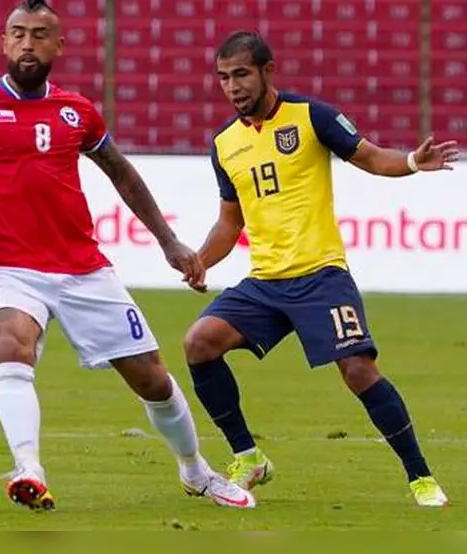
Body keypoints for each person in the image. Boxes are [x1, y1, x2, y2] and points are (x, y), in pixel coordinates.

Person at [0, 0, 256, 512]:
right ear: (3, 42)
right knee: (11, 344)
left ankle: (196, 471)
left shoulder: (76, 111)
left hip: (82, 268)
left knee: (152, 378)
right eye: (17, 34)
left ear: (60, 44)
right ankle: (28, 470)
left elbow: (123, 174)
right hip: (9, 267)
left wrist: (169, 241)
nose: (27, 43)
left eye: (39, 35)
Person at [185, 30, 456, 507]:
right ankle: (249, 456)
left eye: (241, 74)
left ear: (268, 71)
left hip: (321, 276)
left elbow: (371, 158)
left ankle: (421, 477)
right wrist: (200, 261)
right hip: (265, 283)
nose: (232, 87)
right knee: (199, 343)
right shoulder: (224, 144)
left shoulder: (312, 116)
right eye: (224, 78)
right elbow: (231, 221)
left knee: (357, 369)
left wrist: (413, 161)